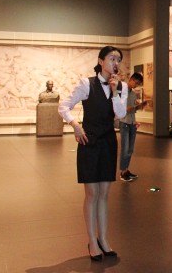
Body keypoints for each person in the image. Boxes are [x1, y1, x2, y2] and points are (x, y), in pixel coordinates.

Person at [58, 46, 127, 261]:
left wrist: (115, 92)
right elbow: (64, 106)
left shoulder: (121, 86)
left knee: (104, 195)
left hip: (108, 143)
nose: (115, 62)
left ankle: (103, 239)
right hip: (89, 142)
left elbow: (120, 114)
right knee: (92, 194)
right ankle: (92, 241)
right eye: (111, 58)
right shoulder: (86, 84)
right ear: (101, 61)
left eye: (118, 59)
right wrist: (75, 125)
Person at [119, 72, 147, 182]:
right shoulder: (122, 91)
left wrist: (140, 106)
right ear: (131, 79)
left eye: (138, 84)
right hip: (124, 122)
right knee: (125, 149)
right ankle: (122, 172)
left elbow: (132, 109)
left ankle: (126, 170)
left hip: (131, 123)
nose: (136, 85)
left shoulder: (133, 94)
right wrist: (132, 108)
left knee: (130, 149)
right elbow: (120, 109)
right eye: (136, 82)